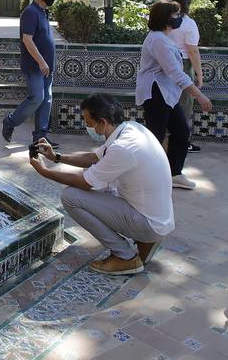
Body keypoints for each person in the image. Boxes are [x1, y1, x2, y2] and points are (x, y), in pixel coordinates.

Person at [28, 93, 174, 276]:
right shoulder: (131, 129)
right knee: (106, 185)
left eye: (89, 123)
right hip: (156, 218)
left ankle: (125, 257)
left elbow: (84, 182)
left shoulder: (122, 148)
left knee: (71, 197)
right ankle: (144, 241)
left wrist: (45, 172)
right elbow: (93, 158)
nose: (88, 127)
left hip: (149, 223)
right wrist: (56, 157)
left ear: (103, 122)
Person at [137, 1, 212, 190]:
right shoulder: (158, 40)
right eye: (176, 15)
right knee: (156, 136)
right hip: (155, 93)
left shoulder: (164, 38)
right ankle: (145, 176)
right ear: (165, 17)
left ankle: (174, 174)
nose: (179, 18)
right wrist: (199, 96)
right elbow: (175, 72)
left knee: (181, 132)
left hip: (165, 94)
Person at [1, 0, 57, 148]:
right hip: (35, 66)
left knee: (46, 100)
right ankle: (10, 121)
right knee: (37, 98)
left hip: (46, 66)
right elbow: (27, 39)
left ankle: (40, 137)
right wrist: (41, 62)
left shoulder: (42, 11)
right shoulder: (31, 12)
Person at [166, 0, 204, 152]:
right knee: (184, 104)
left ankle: (165, 141)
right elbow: (192, 51)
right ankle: (182, 142)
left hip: (164, 63)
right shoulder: (189, 24)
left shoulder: (165, 20)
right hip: (183, 65)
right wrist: (199, 75)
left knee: (167, 102)